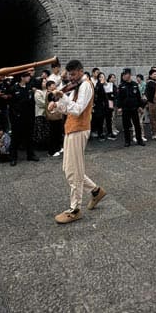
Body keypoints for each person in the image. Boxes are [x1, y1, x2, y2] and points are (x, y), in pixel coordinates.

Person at [49, 59, 107, 224]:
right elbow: (68, 109)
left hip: (79, 129)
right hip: (71, 128)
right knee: (69, 168)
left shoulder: (86, 85)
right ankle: (96, 191)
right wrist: (57, 105)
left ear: (81, 71)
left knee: (73, 171)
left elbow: (78, 109)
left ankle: (75, 209)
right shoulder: (77, 85)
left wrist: (62, 98)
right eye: (69, 75)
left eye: (74, 74)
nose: (71, 78)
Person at [9, 70, 39, 164]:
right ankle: (13, 157)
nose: (29, 78)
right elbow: (11, 104)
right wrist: (15, 116)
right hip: (18, 117)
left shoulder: (29, 88)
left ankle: (30, 155)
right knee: (15, 138)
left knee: (29, 136)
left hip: (29, 117)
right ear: (22, 77)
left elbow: (32, 103)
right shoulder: (14, 88)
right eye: (27, 76)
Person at [118, 69, 145, 146]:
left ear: (129, 75)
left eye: (125, 74)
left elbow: (138, 96)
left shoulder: (135, 84)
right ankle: (127, 141)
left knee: (137, 125)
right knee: (126, 126)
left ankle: (139, 140)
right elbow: (119, 98)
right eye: (123, 75)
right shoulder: (121, 86)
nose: (123, 76)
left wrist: (140, 106)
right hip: (125, 109)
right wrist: (119, 107)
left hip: (134, 108)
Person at [144, 68, 156, 140]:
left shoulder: (155, 82)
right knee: (154, 118)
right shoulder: (150, 83)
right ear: (150, 75)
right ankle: (155, 133)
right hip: (152, 103)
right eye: (154, 74)